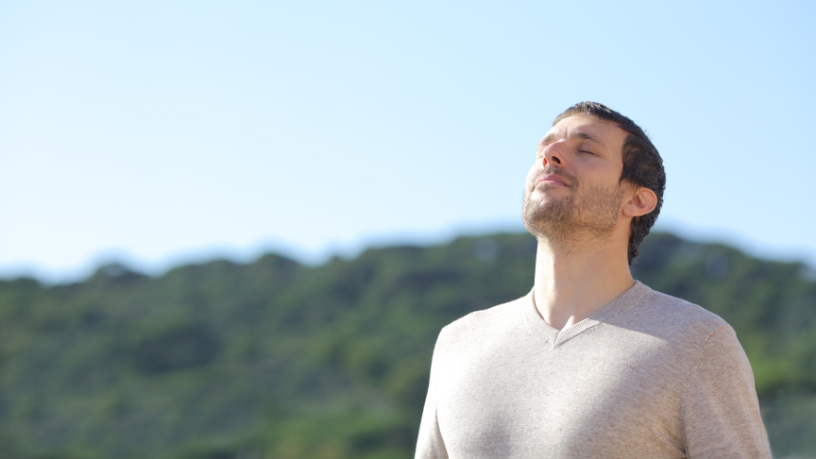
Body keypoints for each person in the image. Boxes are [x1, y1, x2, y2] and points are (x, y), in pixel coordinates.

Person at [414, 102, 771, 458]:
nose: (550, 155)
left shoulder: (696, 342)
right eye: (544, 147)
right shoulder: (458, 342)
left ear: (636, 199)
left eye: (585, 150)